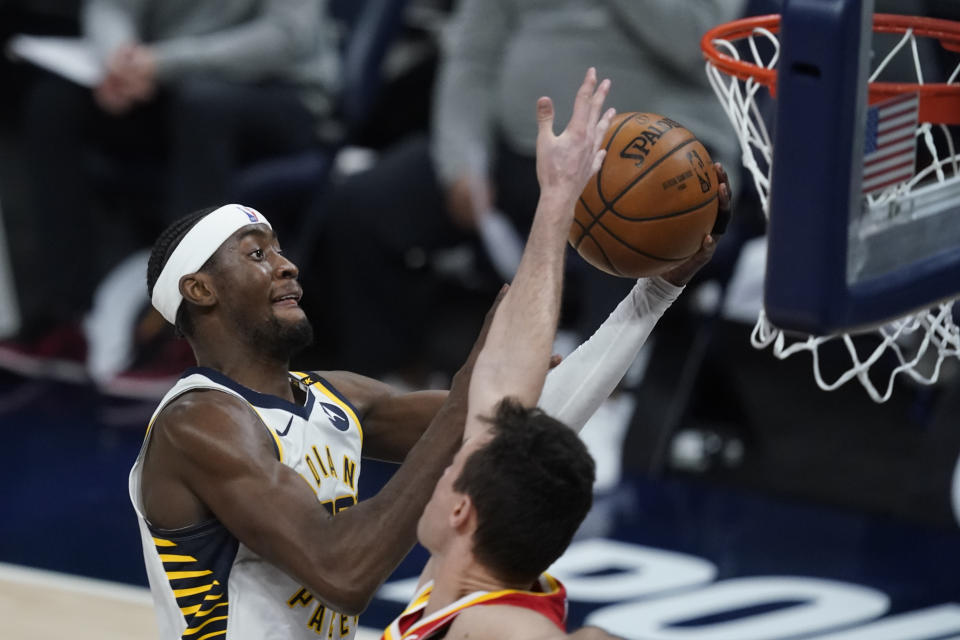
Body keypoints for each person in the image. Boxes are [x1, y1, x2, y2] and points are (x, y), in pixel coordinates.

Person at [380, 71, 732, 639]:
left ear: (462, 514)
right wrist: (651, 285)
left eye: (450, 473)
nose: (439, 470)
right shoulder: (448, 594)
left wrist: (560, 201)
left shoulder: (495, 625)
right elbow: (506, 394)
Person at [309, 0, 745, 379]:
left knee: (627, 220)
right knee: (361, 205)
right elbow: (471, 57)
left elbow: (695, 44)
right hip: (521, 145)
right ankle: (396, 378)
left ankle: (603, 403)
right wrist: (462, 162)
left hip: (648, 152)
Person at [2, 0, 338, 378]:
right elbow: (112, 7)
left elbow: (285, 39)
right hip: (167, 82)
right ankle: (65, 320)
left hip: (278, 90)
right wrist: (119, 58)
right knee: (54, 102)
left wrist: (161, 63)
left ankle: (189, 334)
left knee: (202, 104)